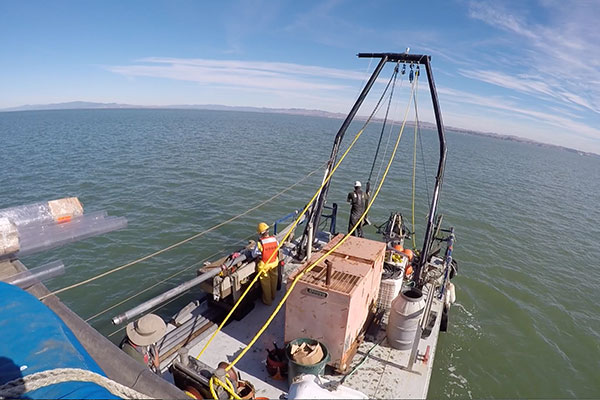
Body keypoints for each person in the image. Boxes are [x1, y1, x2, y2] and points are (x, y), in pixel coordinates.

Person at [250, 222, 279, 305]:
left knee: (265, 282)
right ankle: (273, 295)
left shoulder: (260, 243)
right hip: (274, 262)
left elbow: (253, 254)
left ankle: (268, 300)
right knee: (274, 279)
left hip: (264, 265)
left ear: (260, 233)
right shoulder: (274, 239)